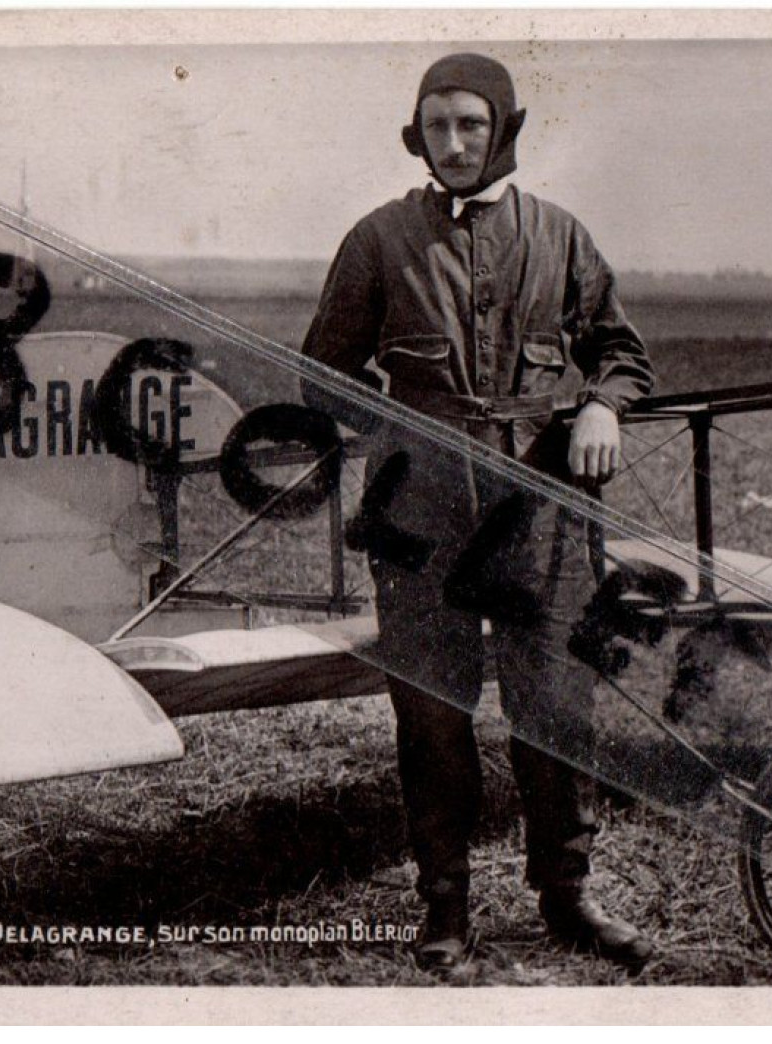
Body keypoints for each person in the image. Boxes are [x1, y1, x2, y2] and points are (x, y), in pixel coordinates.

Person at [301, 52, 656, 972]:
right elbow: (321, 371)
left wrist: (600, 405)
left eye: (470, 124)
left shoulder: (561, 235)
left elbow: (620, 351)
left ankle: (567, 898)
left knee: (552, 704)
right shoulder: (379, 240)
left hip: (541, 514)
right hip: (418, 517)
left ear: (504, 130)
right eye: (435, 126)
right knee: (430, 711)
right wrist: (405, 427)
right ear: (413, 135)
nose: (453, 144)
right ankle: (444, 908)